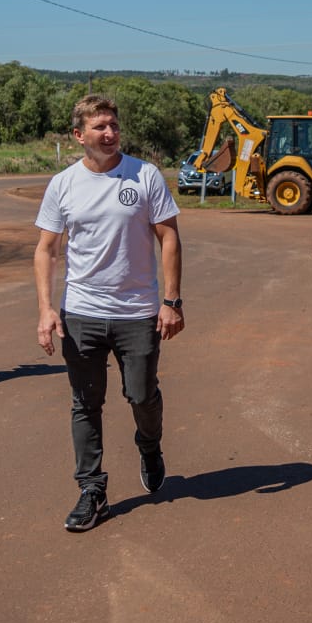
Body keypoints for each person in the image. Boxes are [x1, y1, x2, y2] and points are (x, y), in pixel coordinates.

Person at [34, 94, 185, 533]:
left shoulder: (145, 175)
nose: (110, 132)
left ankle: (149, 444)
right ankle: (91, 490)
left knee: (141, 394)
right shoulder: (63, 184)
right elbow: (45, 250)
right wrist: (46, 310)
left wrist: (171, 301)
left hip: (137, 312)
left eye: (114, 124)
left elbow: (169, 238)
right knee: (85, 403)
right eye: (100, 126)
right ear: (79, 135)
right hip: (81, 312)